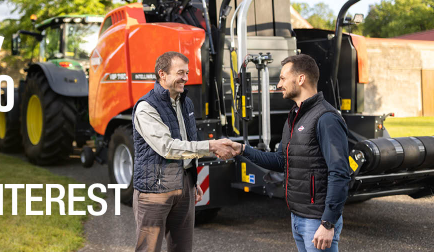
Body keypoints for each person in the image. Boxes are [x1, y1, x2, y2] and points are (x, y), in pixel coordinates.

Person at [231, 54, 351, 252]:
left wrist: (328, 223)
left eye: (283, 78)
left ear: (301, 79)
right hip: (298, 217)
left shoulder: (326, 118)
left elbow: (339, 173)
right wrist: (243, 150)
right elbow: (281, 161)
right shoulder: (295, 117)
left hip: (318, 221)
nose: (279, 84)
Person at [132, 51, 239, 252]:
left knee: (182, 248)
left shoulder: (185, 102)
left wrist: (193, 181)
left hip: (185, 187)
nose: (186, 78)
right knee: (149, 249)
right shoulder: (146, 107)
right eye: (180, 72)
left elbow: (188, 143)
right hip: (155, 191)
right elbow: (168, 147)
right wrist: (211, 146)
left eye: (187, 72)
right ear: (162, 74)